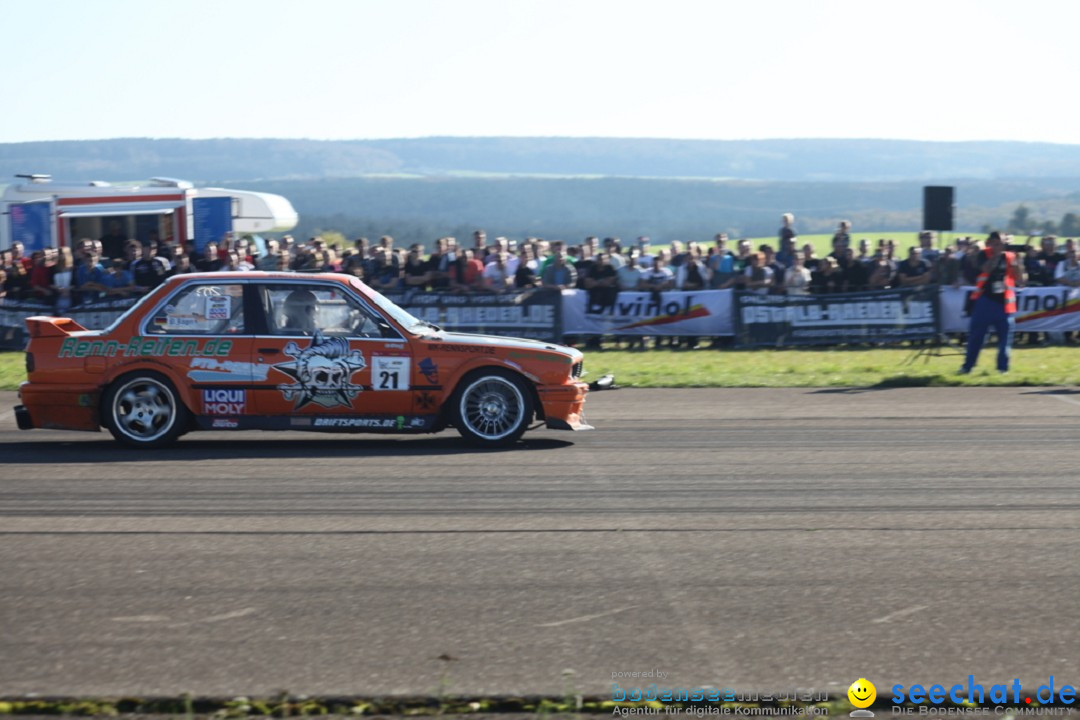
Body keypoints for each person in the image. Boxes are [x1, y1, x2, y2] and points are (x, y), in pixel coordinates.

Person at [960, 231, 1021, 375]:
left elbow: (1020, 279)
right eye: (997, 243)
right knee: (976, 337)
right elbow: (985, 268)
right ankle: (968, 366)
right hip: (985, 300)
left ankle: (1002, 368)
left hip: (1004, 302)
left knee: (1005, 338)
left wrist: (1018, 264)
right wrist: (995, 255)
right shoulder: (983, 254)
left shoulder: (1009, 257)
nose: (1001, 245)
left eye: (1002, 243)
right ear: (991, 242)